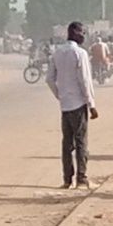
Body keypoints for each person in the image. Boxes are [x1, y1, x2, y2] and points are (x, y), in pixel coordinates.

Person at [47, 22, 99, 190]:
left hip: (65, 105)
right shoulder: (80, 53)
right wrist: (91, 104)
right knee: (81, 142)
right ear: (74, 33)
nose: (84, 36)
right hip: (78, 104)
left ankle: (67, 179)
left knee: (67, 144)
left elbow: (49, 79)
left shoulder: (57, 53)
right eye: (82, 32)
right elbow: (85, 80)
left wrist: (59, 95)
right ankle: (82, 179)